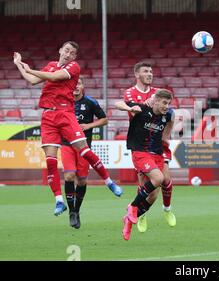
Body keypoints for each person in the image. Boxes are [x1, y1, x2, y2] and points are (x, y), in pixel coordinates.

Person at [13, 41, 122, 216]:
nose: (68, 54)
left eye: (71, 53)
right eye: (66, 50)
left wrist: (29, 69)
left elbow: (55, 77)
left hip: (65, 113)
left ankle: (109, 181)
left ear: (74, 57)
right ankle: (58, 200)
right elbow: (32, 81)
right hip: (48, 116)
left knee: (84, 151)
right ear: (60, 50)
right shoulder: (49, 66)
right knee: (50, 161)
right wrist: (19, 65)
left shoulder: (74, 67)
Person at [122, 62, 176, 233]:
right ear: (137, 74)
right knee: (150, 190)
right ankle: (140, 213)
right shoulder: (130, 92)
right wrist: (138, 108)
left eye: (151, 71)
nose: (150, 74)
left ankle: (166, 210)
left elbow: (168, 113)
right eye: (146, 71)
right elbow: (130, 109)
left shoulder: (158, 93)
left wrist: (167, 134)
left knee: (164, 179)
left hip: (157, 143)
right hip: (141, 141)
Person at [61, 76, 108, 229]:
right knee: (69, 176)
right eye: (73, 84)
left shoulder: (90, 102)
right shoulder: (62, 102)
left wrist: (88, 126)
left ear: (82, 86)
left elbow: (104, 120)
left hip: (84, 148)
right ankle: (71, 212)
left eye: (78, 83)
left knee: (81, 181)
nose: (75, 86)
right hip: (67, 145)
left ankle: (77, 210)